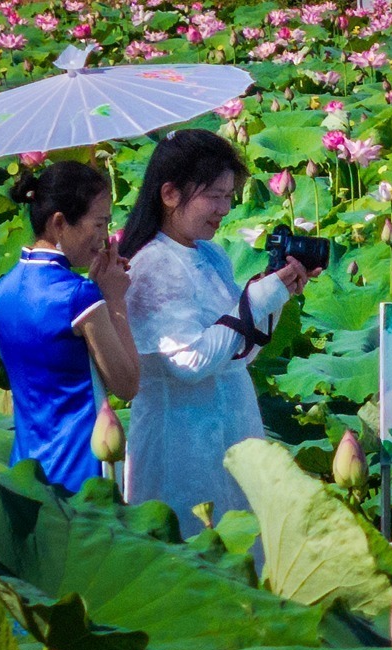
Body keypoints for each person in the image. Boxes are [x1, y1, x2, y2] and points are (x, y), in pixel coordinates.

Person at [117, 127, 307, 537]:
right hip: (181, 444)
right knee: (195, 557)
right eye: (215, 196)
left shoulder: (212, 254)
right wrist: (257, 300)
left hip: (233, 428)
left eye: (229, 195)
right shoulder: (153, 265)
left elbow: (239, 354)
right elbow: (191, 362)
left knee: (242, 550)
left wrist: (278, 294)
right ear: (170, 195)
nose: (225, 208)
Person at [0, 159, 139, 493]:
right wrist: (113, 299)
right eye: (99, 224)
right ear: (59, 223)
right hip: (81, 466)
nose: (104, 238)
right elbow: (127, 384)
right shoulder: (76, 296)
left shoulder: (2, 291)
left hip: (27, 467)